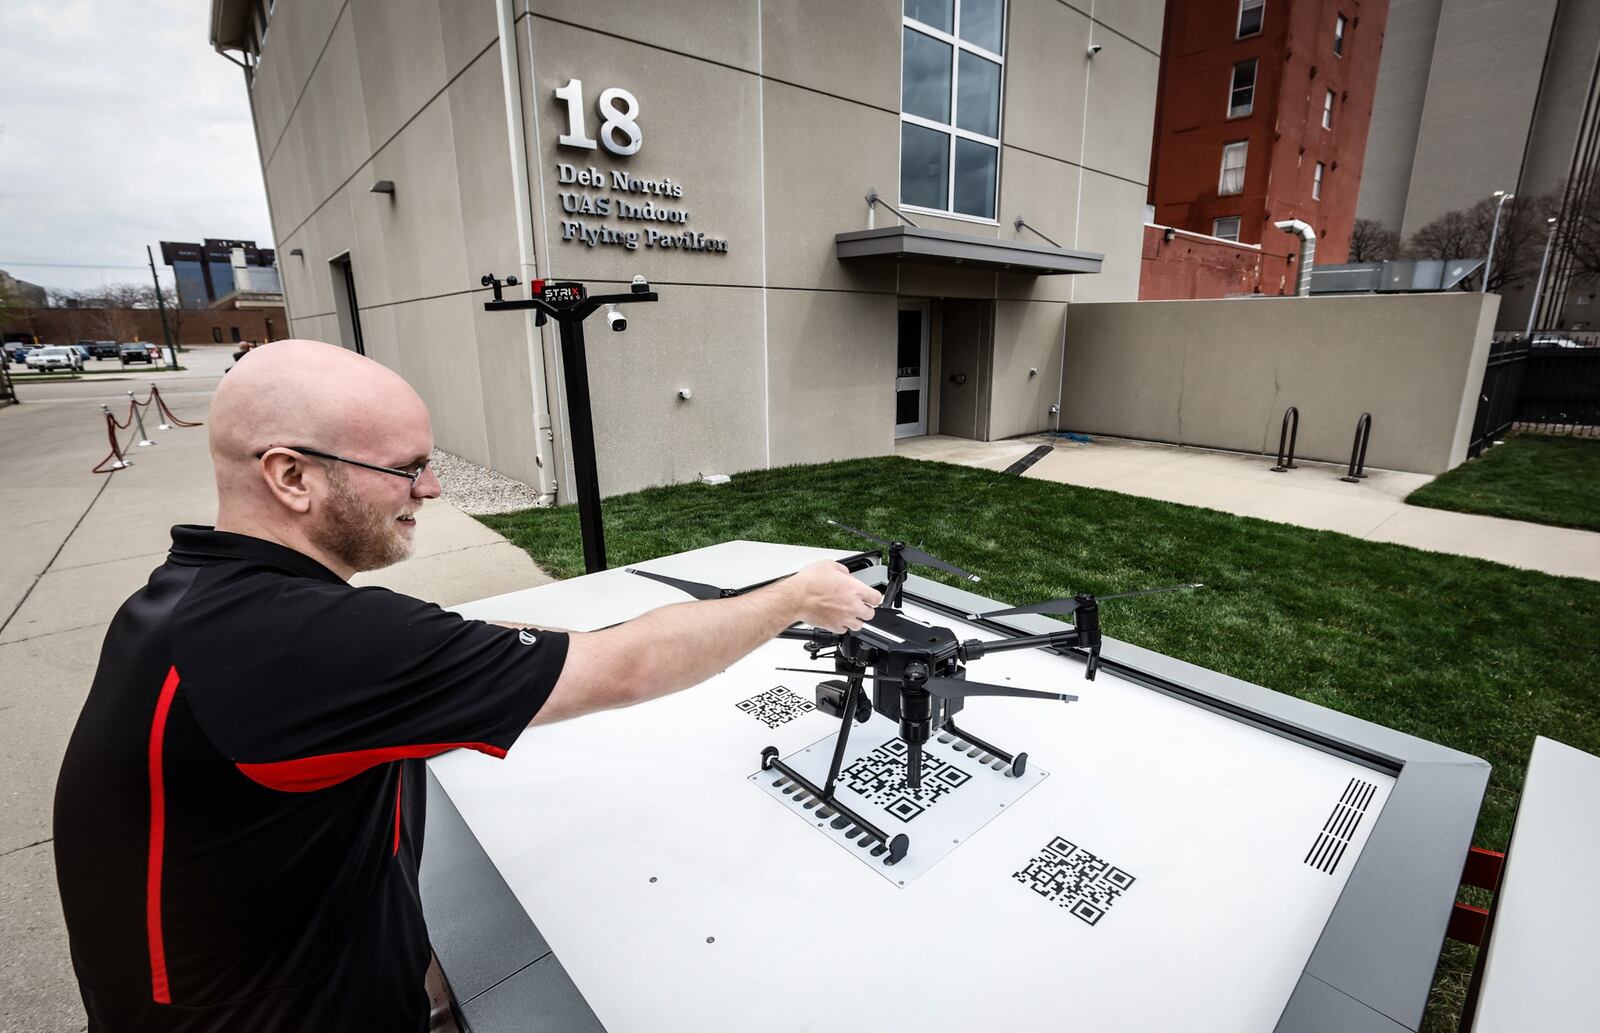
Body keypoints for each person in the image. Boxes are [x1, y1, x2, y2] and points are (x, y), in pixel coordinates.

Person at [53, 339, 880, 1031]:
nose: (434, 489)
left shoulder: (194, 597)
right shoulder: (304, 642)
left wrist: (408, 953)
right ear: (291, 476)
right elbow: (622, 670)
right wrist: (799, 594)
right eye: (407, 467)